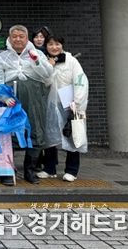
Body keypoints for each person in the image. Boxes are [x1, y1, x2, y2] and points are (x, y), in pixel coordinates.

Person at [0, 25, 53, 184]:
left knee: (35, 131)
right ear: (9, 38)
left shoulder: (38, 53)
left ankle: (30, 170)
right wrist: (4, 97)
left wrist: (36, 61)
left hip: (34, 99)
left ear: (27, 39)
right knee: (8, 133)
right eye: (14, 36)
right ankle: (7, 171)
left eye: (21, 36)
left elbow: (48, 74)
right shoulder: (2, 57)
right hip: (11, 100)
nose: (18, 39)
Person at [38, 35, 89, 182]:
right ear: (46, 46)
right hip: (50, 102)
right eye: (50, 44)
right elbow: (42, 82)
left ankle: (72, 170)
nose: (54, 47)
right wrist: (49, 67)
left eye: (57, 44)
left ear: (62, 45)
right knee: (49, 136)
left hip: (68, 101)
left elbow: (80, 81)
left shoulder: (71, 61)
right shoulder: (43, 61)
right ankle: (49, 168)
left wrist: (77, 103)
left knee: (72, 134)